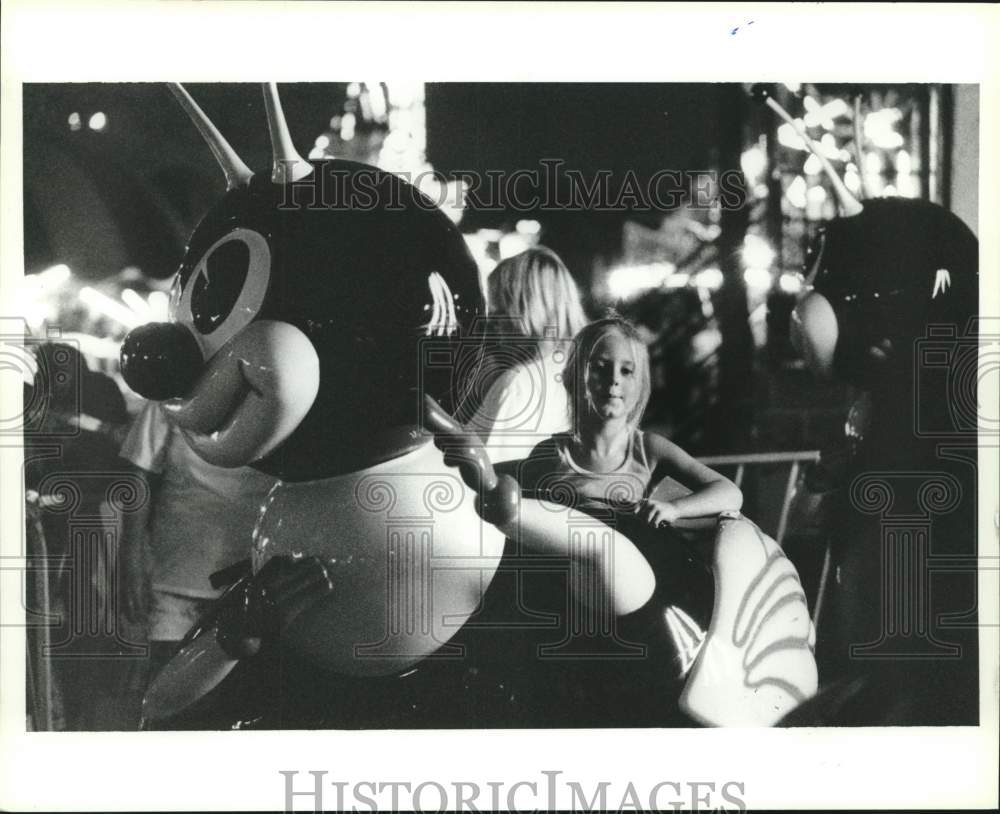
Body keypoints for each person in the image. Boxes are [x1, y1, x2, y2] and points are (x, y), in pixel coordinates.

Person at [518, 314, 743, 528]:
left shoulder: (648, 450)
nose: (614, 379)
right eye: (599, 368)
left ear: (641, 385)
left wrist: (675, 508)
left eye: (626, 371)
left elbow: (729, 492)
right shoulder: (549, 454)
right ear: (572, 378)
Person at [118, 401, 279, 681]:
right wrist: (130, 556)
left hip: (250, 580)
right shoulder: (169, 393)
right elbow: (139, 476)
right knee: (170, 683)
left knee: (237, 690)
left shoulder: (279, 387)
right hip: (174, 579)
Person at [463, 246, 587, 463]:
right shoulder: (589, 372)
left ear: (526, 309)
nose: (491, 322)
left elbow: (479, 471)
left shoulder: (519, 383)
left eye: (498, 309)